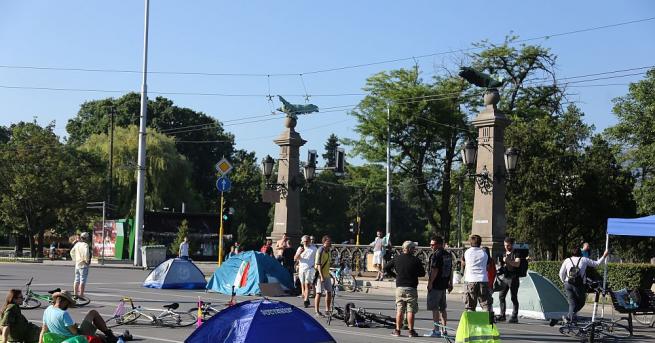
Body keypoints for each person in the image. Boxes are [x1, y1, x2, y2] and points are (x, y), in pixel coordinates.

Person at [39, 290, 117, 343]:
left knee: (99, 335)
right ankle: (110, 336)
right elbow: (75, 332)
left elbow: (43, 330)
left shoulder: (48, 310)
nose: (68, 306)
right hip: (72, 338)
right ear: (65, 302)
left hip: (58, 338)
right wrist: (75, 326)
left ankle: (111, 337)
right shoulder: (63, 314)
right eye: (68, 303)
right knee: (92, 313)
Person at [384, 241, 425, 337]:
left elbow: (386, 268)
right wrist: (413, 273)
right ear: (410, 249)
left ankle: (397, 330)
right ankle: (411, 331)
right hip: (411, 287)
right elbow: (422, 273)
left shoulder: (397, 258)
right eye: (413, 249)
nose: (414, 250)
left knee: (399, 310)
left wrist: (395, 276)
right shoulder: (416, 260)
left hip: (400, 287)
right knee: (411, 310)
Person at [558, 247, 608, 323]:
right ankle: (569, 317)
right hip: (579, 285)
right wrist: (604, 256)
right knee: (581, 302)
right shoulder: (584, 259)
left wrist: (563, 281)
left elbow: (561, 273)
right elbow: (596, 264)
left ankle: (570, 318)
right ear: (580, 253)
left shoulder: (567, 260)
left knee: (572, 303)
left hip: (568, 284)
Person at [426, 237, 453, 338]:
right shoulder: (448, 255)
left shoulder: (436, 255)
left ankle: (436, 330)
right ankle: (444, 330)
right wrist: (450, 283)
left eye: (433, 245)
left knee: (435, 308)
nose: (431, 246)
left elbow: (434, 270)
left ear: (439, 244)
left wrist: (430, 283)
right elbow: (450, 269)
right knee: (443, 308)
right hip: (444, 284)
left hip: (436, 285)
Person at [461, 235, 492, 313]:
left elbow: (463, 262)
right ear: (480, 243)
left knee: (470, 306)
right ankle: (486, 323)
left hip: (470, 280)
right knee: (485, 304)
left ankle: (471, 323)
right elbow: (488, 266)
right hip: (483, 279)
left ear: (470, 242)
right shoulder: (484, 253)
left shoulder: (467, 252)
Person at [496, 237, 521, 323]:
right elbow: (502, 265)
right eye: (505, 245)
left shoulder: (516, 253)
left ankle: (514, 316)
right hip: (505, 277)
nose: (506, 247)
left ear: (512, 245)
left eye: (508, 245)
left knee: (513, 297)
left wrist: (508, 261)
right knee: (501, 296)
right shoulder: (504, 253)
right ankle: (502, 315)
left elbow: (517, 264)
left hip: (513, 278)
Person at [295, 235, 317, 308]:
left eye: (307, 241)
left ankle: (306, 300)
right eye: (304, 241)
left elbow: (317, 258)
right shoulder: (300, 248)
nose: (306, 243)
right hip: (302, 269)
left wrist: (316, 266)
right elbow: (295, 258)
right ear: (302, 242)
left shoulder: (314, 249)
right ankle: (306, 298)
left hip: (310, 269)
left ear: (310, 241)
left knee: (307, 285)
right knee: (303, 285)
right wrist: (299, 253)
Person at [314, 235, 333, 317]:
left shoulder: (328, 251)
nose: (330, 243)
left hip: (327, 274)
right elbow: (318, 265)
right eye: (328, 241)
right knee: (319, 293)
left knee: (329, 292)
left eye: (330, 241)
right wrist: (321, 276)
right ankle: (317, 311)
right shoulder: (320, 250)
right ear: (324, 242)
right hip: (320, 275)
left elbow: (328, 263)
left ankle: (327, 310)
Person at [70, 232, 91, 299]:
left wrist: (75, 259)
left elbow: (71, 252)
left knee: (76, 280)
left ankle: (75, 294)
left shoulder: (77, 244)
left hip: (77, 264)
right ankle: (81, 295)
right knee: (82, 280)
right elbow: (86, 253)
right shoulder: (85, 245)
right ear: (87, 238)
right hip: (83, 264)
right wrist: (86, 261)